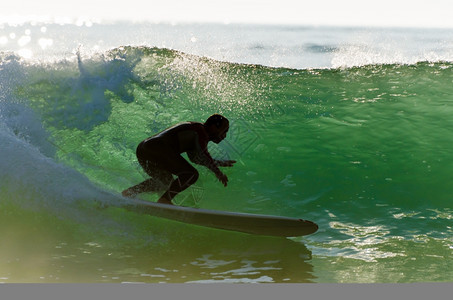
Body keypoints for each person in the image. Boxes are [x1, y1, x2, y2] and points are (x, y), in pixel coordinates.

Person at [122, 114, 236, 205]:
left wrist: (217, 163)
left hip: (144, 149)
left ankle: (130, 192)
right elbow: (204, 156)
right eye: (224, 130)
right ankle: (165, 200)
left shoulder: (197, 132)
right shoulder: (201, 131)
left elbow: (196, 158)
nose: (224, 136)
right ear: (214, 127)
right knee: (191, 174)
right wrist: (218, 172)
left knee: (165, 181)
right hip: (156, 147)